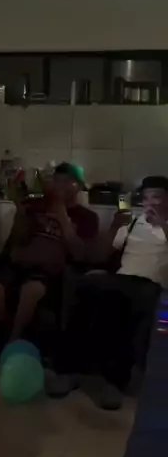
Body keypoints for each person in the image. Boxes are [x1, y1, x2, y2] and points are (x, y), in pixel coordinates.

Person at [48, 175, 168, 410]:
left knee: (128, 300)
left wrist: (162, 224)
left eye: (156, 197)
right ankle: (68, 370)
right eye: (146, 198)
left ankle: (115, 382)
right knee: (86, 287)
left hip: (151, 284)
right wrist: (115, 226)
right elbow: (98, 256)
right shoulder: (133, 223)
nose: (150, 203)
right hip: (121, 279)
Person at [0, 162, 98, 343]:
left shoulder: (87, 217)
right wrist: (21, 215)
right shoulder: (34, 206)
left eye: (67, 182)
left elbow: (80, 255)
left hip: (48, 272)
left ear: (78, 187)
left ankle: (13, 339)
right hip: (19, 263)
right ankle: (7, 330)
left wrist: (63, 219)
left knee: (31, 291)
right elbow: (16, 240)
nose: (60, 186)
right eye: (56, 181)